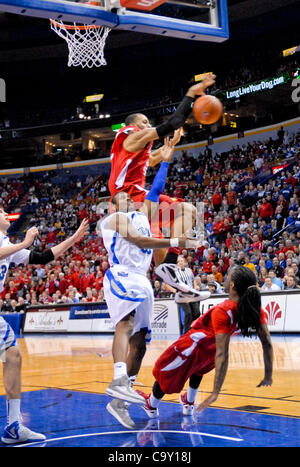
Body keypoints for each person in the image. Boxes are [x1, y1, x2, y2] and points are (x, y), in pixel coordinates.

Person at [101, 142, 202, 429]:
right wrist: (175, 241)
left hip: (143, 281)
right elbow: (140, 241)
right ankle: (119, 379)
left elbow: (155, 190)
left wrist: (166, 161)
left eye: (128, 197)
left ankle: (120, 400)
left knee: (141, 341)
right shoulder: (112, 220)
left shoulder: (141, 214)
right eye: (119, 197)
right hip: (121, 275)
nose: (126, 199)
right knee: (126, 324)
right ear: (112, 204)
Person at [135, 266, 273, 419]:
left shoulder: (224, 310)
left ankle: (151, 405)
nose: (226, 279)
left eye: (228, 277)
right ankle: (189, 402)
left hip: (193, 345)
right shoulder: (254, 310)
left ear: (232, 285)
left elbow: (223, 353)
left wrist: (215, 392)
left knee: (164, 372)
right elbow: (267, 343)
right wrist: (268, 374)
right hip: (209, 352)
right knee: (198, 370)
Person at [0, 209, 89, 444]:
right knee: (13, 354)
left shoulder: (7, 244)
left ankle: (13, 426)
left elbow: (43, 257)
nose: (6, 214)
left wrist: (74, 238)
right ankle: (12, 425)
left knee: (13, 354)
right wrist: (25, 241)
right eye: (1, 212)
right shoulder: (6, 245)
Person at [108, 76, 216, 265]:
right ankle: (168, 267)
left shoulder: (131, 149)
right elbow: (173, 123)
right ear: (133, 125)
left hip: (136, 197)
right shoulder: (130, 135)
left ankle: (169, 268)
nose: (148, 126)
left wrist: (169, 146)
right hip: (128, 199)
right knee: (177, 219)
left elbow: (149, 161)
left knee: (186, 212)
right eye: (144, 122)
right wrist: (191, 94)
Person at [174, 255, 209, 334]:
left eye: (181, 261)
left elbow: (193, 280)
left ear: (185, 262)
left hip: (192, 294)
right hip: (182, 296)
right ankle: (187, 332)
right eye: (178, 261)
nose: (180, 263)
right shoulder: (175, 272)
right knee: (188, 313)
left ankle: (193, 328)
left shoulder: (189, 270)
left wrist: (195, 286)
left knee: (197, 312)